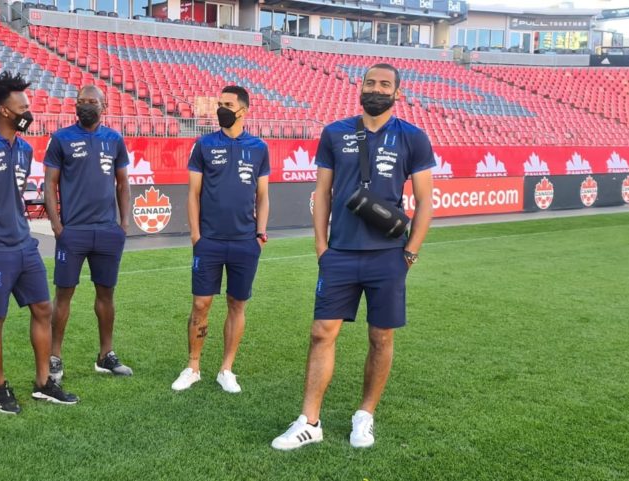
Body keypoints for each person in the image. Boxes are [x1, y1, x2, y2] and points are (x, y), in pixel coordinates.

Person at [271, 63, 435, 450]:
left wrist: (410, 253)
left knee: (380, 338)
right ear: (359, 87)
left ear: (397, 93)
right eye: (369, 83)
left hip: (388, 256)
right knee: (320, 333)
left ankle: (365, 415)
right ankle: (309, 421)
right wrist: (321, 246)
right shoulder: (335, 133)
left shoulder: (413, 137)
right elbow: (322, 193)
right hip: (340, 253)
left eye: (384, 84)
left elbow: (426, 201)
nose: (375, 89)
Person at [0, 71, 79, 415]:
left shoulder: (25, 149)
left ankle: (44, 383)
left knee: (43, 308)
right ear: (4, 110)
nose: (29, 111)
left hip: (24, 245)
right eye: (23, 106)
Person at [171, 85, 270, 394]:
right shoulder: (203, 144)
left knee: (236, 304)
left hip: (245, 241)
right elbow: (193, 194)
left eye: (227, 104)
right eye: (219, 103)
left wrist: (260, 233)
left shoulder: (258, 147)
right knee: (201, 303)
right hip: (209, 240)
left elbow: (263, 195)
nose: (221, 108)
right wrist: (196, 235)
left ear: (243, 110)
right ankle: (193, 366)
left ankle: (226, 368)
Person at [43, 85, 133, 382]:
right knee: (64, 295)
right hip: (74, 232)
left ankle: (106, 355)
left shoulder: (114, 140)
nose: (85, 106)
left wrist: (124, 225)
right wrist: (57, 225)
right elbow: (49, 184)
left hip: (107, 231)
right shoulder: (61, 138)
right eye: (81, 101)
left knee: (106, 295)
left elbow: (123, 184)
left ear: (104, 106)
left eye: (91, 102)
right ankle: (54, 357)